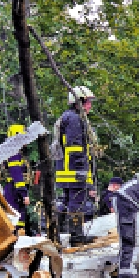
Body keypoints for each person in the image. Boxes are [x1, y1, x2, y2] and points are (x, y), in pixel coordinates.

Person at [54, 86, 97, 242]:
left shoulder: (68, 117)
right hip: (74, 169)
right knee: (76, 202)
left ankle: (53, 234)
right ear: (79, 102)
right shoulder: (74, 119)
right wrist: (81, 169)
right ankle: (77, 236)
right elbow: (75, 147)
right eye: (88, 102)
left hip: (66, 169)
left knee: (65, 201)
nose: (90, 105)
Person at [3, 124, 31, 235]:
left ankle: (20, 246)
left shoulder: (15, 152)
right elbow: (17, 176)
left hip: (14, 190)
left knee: (19, 221)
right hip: (14, 191)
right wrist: (24, 194)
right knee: (16, 220)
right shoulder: (13, 154)